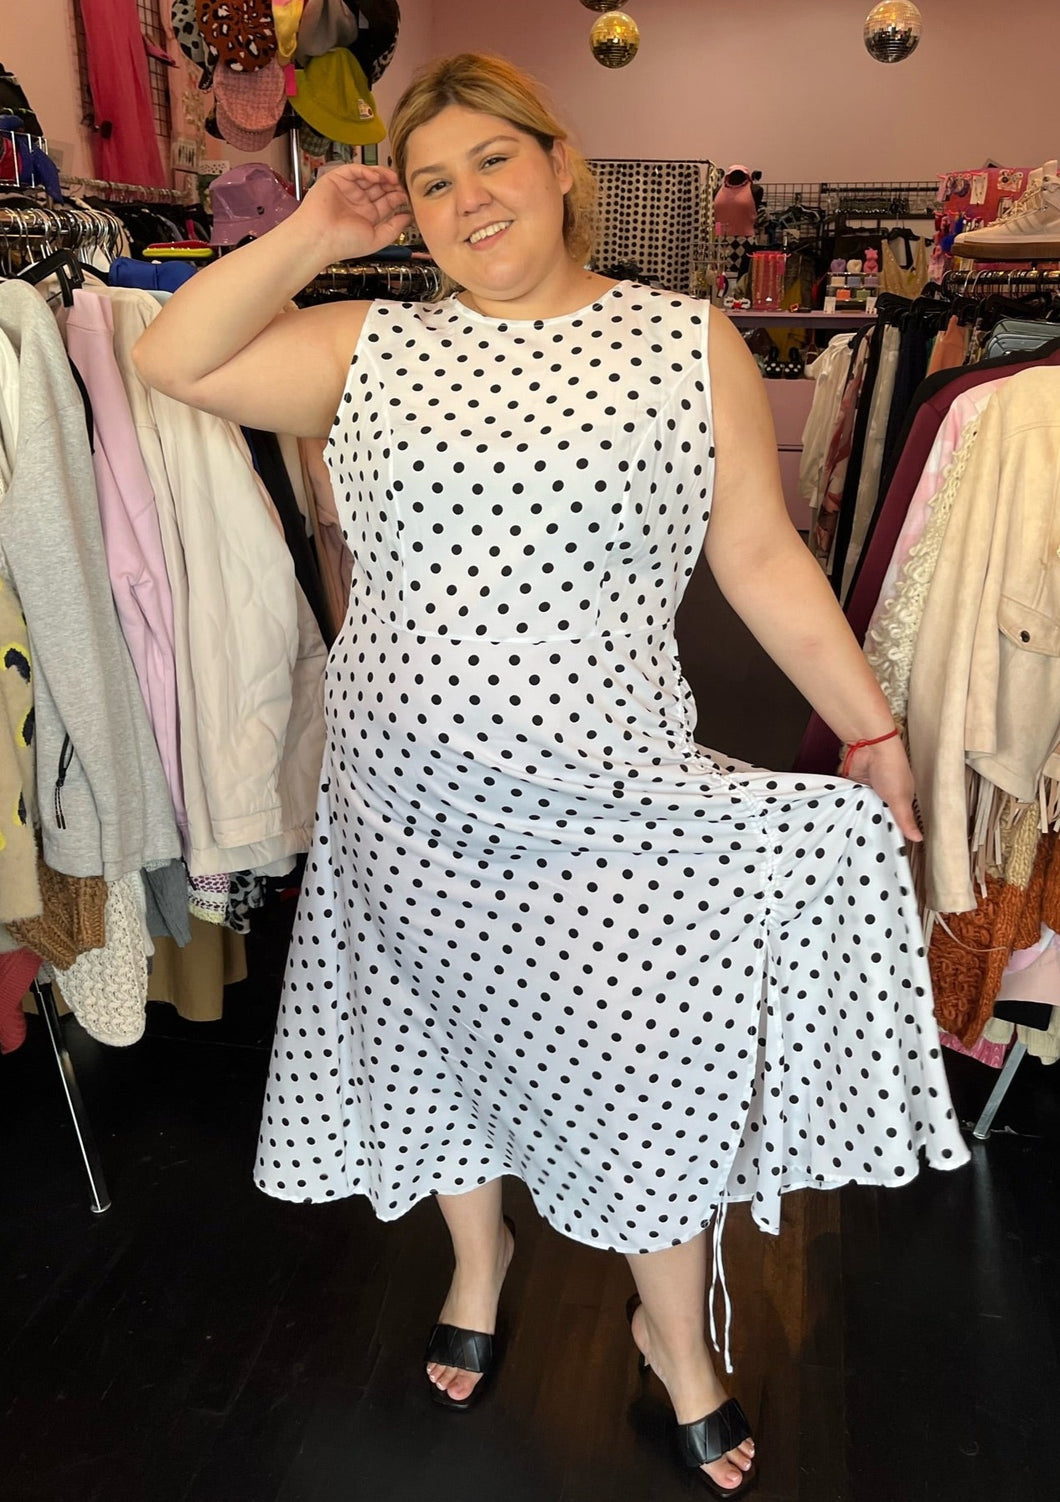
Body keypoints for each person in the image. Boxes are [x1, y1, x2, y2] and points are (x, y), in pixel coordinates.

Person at [134, 52, 969, 1498]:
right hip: (404, 798)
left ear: (560, 162)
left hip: (608, 795)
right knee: (438, 1042)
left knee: (646, 1063)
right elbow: (173, 357)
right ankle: (479, 1260)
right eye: (434, 183)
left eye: (493, 162)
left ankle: (672, 1338)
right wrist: (317, 230)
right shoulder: (369, 345)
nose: (469, 201)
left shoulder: (683, 339)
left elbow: (757, 554)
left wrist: (873, 728)